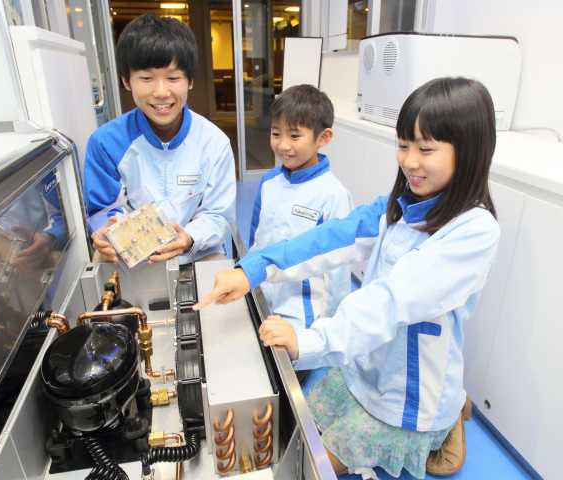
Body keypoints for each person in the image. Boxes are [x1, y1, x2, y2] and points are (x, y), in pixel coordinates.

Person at [194, 77, 501, 479]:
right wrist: (253, 269)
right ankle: (454, 404)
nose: (409, 161)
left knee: (309, 467)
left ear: (471, 151)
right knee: (300, 427)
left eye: (425, 149)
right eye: (403, 145)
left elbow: (390, 301)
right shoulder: (397, 206)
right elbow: (326, 240)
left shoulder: (474, 231)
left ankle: (444, 419)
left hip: (407, 397)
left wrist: (309, 340)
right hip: (364, 364)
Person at [83, 14, 235, 265]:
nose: (161, 92)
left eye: (173, 78)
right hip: (132, 257)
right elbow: (102, 210)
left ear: (190, 81)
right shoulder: (105, 142)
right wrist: (106, 232)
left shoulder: (214, 143)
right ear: (126, 81)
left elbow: (218, 214)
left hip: (196, 252)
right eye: (146, 78)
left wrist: (189, 237)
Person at [249, 84, 353, 334]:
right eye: (276, 133)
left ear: (323, 138)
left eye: (295, 136)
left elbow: (339, 270)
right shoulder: (269, 182)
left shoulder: (333, 195)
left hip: (303, 317)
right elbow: (256, 238)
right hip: (263, 296)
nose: (283, 145)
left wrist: (331, 325)